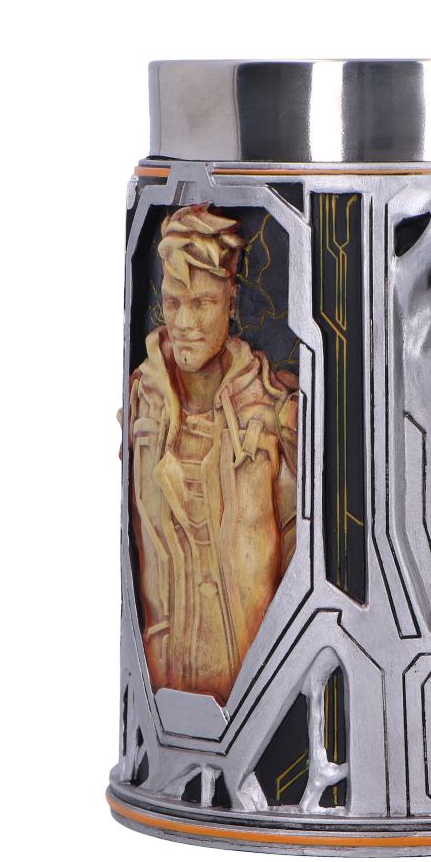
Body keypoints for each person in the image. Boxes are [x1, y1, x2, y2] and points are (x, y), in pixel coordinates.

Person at [129, 203, 297, 703]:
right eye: (173, 301)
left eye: (202, 302)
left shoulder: (276, 411)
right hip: (165, 687)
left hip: (262, 691)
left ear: (231, 300)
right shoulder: (141, 402)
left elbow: (306, 556)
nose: (184, 322)